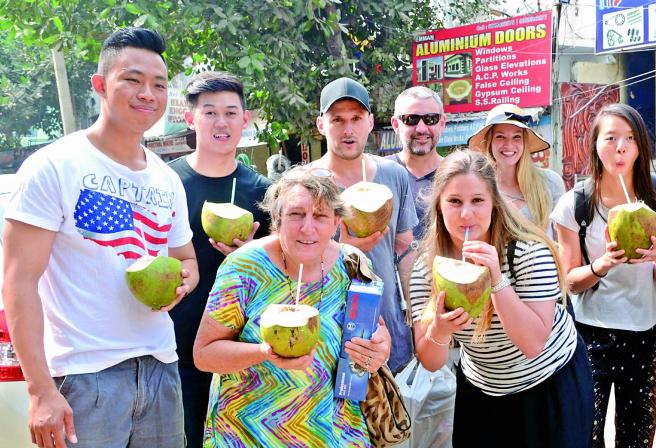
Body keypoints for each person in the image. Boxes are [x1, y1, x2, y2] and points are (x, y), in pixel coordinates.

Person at [2, 28, 198, 448]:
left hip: (161, 365)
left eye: (159, 85)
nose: (147, 92)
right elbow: (18, 283)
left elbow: (186, 257)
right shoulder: (54, 166)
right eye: (132, 79)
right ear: (100, 85)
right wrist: (39, 390)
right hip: (84, 375)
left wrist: (185, 280)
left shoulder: (167, 179)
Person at [193, 165, 391, 447]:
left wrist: (379, 350)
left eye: (320, 216)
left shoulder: (353, 264)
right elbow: (204, 354)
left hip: (333, 433)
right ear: (277, 218)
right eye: (296, 214)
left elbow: (373, 337)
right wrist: (264, 352)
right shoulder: (244, 267)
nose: (307, 227)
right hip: (248, 434)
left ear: (336, 223)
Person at [409, 150, 593, 447]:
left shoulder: (527, 252)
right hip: (482, 390)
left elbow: (533, 343)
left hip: (548, 383)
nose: (466, 214)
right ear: (439, 206)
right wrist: (440, 331)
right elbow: (430, 361)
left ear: (494, 202)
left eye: (477, 201)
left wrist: (496, 279)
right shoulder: (427, 270)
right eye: (454, 202)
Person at [550, 103, 656, 447]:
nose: (621, 147)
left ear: (641, 146)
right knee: (586, 436)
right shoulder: (574, 205)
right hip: (590, 335)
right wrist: (602, 265)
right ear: (595, 145)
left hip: (647, 333)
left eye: (630, 138)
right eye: (610, 138)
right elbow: (570, 281)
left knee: (637, 439)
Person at [167, 70, 270, 447]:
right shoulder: (165, 182)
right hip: (177, 342)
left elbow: (283, 270)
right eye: (209, 113)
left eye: (231, 112)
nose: (221, 122)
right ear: (191, 119)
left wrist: (251, 258)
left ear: (245, 120)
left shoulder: (262, 191)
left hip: (241, 346)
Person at [313, 77, 418, 373]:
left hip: (386, 329)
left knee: (386, 416)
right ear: (321, 124)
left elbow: (404, 249)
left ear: (370, 122)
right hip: (325, 329)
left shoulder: (394, 175)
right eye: (337, 119)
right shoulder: (303, 184)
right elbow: (287, 259)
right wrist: (341, 250)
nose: (348, 130)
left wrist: (417, 317)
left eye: (356, 118)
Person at [468, 104, 565, 235]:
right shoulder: (479, 187)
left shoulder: (551, 182)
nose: (509, 145)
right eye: (500, 137)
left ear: (524, 142)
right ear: (489, 142)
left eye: (517, 137)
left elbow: (562, 242)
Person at [386, 85, 446, 241]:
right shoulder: (380, 173)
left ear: (442, 123)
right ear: (396, 124)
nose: (421, 128)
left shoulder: (457, 174)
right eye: (411, 119)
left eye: (430, 119)